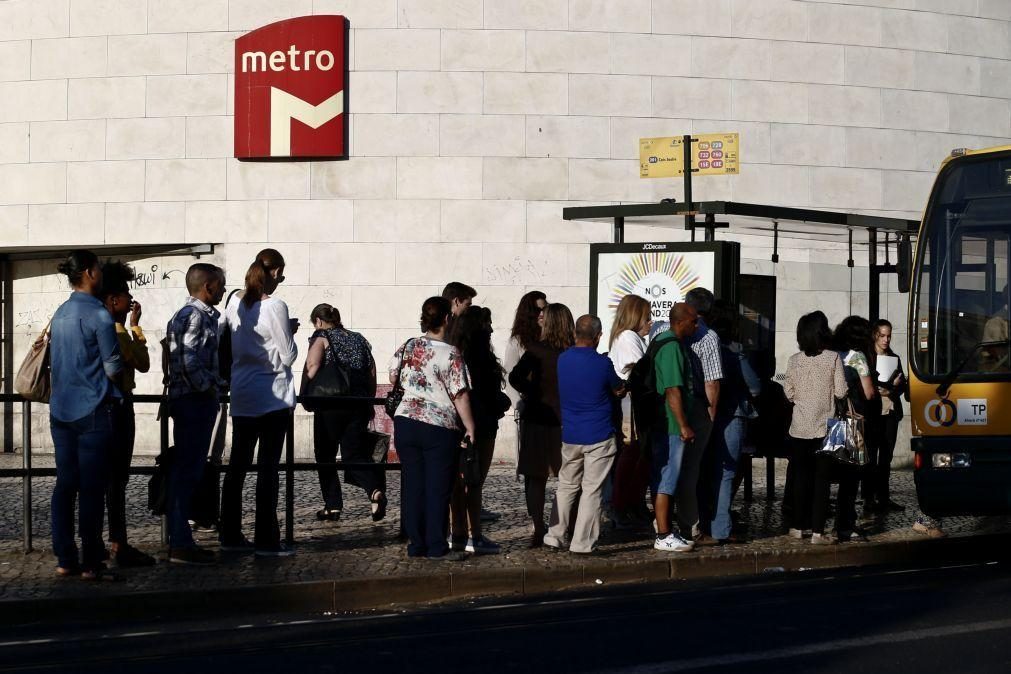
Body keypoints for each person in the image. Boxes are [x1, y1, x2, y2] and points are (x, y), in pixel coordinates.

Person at [49, 250, 124, 580]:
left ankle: (65, 557)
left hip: (61, 410)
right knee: (93, 488)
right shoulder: (100, 315)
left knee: (65, 485)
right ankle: (92, 560)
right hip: (93, 408)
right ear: (91, 273)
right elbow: (112, 366)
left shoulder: (60, 313)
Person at [220, 249, 298, 557]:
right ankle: (266, 539)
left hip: (242, 393)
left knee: (237, 466)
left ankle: (229, 534)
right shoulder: (275, 305)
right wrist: (289, 332)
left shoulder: (233, 302)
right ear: (276, 272)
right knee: (268, 468)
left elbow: (225, 341)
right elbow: (289, 355)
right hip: (272, 395)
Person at [389, 296, 475, 561]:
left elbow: (393, 375)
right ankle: (437, 546)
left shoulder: (409, 345)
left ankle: (416, 544)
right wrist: (470, 427)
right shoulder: (450, 353)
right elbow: (460, 394)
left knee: (414, 485)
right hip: (438, 426)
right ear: (447, 319)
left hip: (406, 421)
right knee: (438, 487)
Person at [543, 315, 624, 553]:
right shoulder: (602, 363)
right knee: (591, 490)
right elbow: (618, 388)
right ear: (598, 337)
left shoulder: (563, 360)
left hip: (571, 433)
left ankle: (554, 535)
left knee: (566, 485)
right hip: (599, 433)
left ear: (576, 334)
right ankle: (582, 542)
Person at [165, 263, 227, 565]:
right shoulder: (195, 316)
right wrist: (209, 387)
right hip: (193, 401)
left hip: (189, 399)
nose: (224, 290)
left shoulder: (190, 315)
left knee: (187, 471)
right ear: (209, 287)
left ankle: (181, 539)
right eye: (221, 285)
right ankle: (179, 542)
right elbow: (188, 359)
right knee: (187, 472)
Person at [304, 303, 384, 523]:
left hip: (330, 403)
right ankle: (374, 491)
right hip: (357, 403)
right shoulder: (358, 339)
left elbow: (312, 365)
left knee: (325, 454)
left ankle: (333, 506)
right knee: (354, 454)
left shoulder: (322, 337)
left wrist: (304, 393)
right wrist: (368, 401)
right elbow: (372, 371)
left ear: (319, 321)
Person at [98, 260, 155, 568]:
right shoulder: (116, 333)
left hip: (102, 407)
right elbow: (143, 362)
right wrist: (134, 326)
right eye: (125, 294)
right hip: (119, 407)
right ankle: (117, 542)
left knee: (107, 479)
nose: (130, 299)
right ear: (112, 300)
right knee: (116, 478)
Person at [509, 303, 574, 547]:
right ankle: (568, 526)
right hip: (566, 420)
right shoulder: (572, 351)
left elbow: (515, 377)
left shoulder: (536, 350)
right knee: (570, 478)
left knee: (537, 478)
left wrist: (532, 392)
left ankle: (538, 526)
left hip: (537, 417)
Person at [448, 305, 510, 554]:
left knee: (457, 484)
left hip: (455, 426)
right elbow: (489, 397)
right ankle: (475, 535)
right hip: (481, 427)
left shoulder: (455, 356)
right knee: (474, 482)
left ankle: (457, 532)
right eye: (488, 324)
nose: (492, 328)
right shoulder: (482, 361)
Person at [782, 311, 847, 545]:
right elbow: (840, 391)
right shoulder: (833, 358)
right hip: (824, 428)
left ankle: (798, 526)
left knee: (800, 478)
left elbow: (788, 392)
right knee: (822, 480)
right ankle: (818, 532)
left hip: (798, 427)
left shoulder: (794, 360)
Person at [706, 300, 761, 544]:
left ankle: (705, 524)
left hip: (706, 413)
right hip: (732, 413)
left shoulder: (703, 343)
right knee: (726, 471)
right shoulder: (733, 349)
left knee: (706, 471)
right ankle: (720, 528)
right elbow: (755, 386)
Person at [652, 303, 699, 553]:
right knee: (666, 480)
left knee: (665, 477)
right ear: (681, 322)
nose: (696, 325)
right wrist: (683, 425)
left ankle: (665, 528)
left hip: (665, 422)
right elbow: (673, 389)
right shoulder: (671, 347)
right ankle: (663, 534)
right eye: (693, 321)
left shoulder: (665, 342)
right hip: (671, 424)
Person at [607, 294, 652, 525]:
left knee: (636, 455)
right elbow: (641, 370)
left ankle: (631, 502)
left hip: (634, 402)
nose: (650, 322)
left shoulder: (627, 337)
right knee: (631, 454)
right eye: (647, 317)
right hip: (632, 404)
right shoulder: (628, 337)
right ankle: (622, 503)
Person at [682, 288, 724, 541]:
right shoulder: (708, 336)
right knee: (691, 469)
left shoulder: (663, 330)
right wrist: (711, 415)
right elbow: (712, 382)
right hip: (697, 408)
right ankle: (691, 525)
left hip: (666, 407)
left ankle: (663, 521)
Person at [834, 315, 880, 537]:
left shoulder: (834, 354)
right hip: (854, 421)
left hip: (833, 419)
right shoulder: (857, 357)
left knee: (834, 471)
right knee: (851, 475)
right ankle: (845, 522)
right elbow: (869, 392)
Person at [867, 319, 906, 513]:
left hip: (890, 412)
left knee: (886, 457)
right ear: (875, 335)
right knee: (871, 456)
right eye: (882, 335)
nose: (886, 339)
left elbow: (902, 385)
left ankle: (883, 497)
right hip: (874, 413)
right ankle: (869, 498)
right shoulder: (867, 357)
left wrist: (892, 388)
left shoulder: (894, 358)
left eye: (889, 335)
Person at [503, 290, 548, 409]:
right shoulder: (517, 342)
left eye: (545, 310)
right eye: (538, 310)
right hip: (529, 406)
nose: (542, 314)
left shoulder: (552, 340)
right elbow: (509, 376)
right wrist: (520, 406)